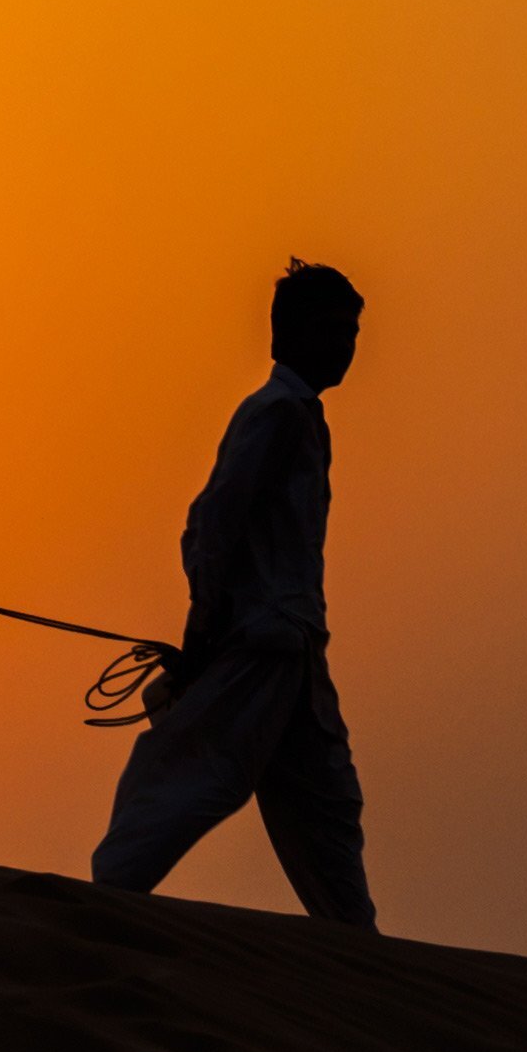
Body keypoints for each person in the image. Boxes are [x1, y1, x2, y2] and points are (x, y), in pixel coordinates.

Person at [91, 262, 374, 928]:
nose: (347, 346)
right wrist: (205, 624)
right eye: (335, 330)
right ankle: (104, 906)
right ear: (291, 335)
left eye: (353, 333)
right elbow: (214, 520)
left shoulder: (299, 418)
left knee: (325, 801)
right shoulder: (276, 415)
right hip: (262, 640)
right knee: (195, 772)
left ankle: (356, 944)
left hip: (293, 646)